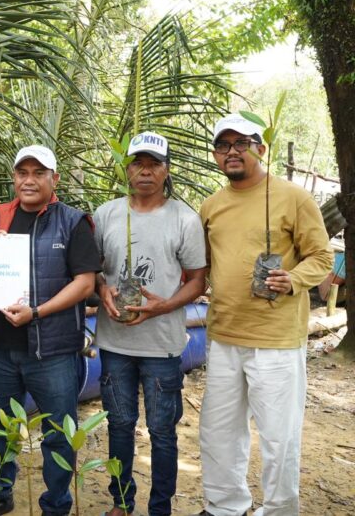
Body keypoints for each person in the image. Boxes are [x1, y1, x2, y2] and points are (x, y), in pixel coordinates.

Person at [196, 114, 333, 516]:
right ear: (217, 155)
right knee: (219, 431)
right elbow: (204, 264)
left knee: (279, 437)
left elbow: (323, 256)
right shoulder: (211, 206)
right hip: (223, 336)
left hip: (276, 340)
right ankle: (225, 506)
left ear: (262, 148)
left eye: (242, 143)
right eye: (224, 145)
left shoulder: (293, 197)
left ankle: (278, 510)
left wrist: (291, 279)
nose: (232, 151)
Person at [0, 145, 101, 516]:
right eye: (22, 173)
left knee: (59, 434)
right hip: (1, 347)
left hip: (54, 351)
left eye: (38, 173)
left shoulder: (73, 221)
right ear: (14, 178)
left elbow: (85, 283)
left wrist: (37, 312)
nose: (29, 180)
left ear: (53, 180)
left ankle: (56, 505)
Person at [93, 132, 206, 516]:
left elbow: (197, 280)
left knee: (162, 432)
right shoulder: (106, 213)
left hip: (162, 344)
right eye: (138, 162)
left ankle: (160, 508)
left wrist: (164, 306)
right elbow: (93, 272)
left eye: (154, 163)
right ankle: (121, 503)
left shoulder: (185, 219)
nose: (145, 170)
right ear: (126, 169)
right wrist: (102, 292)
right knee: (119, 426)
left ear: (166, 170)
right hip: (115, 343)